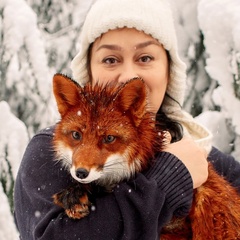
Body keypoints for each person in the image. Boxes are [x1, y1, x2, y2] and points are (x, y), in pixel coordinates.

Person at [14, 0, 240, 239]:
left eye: (145, 58)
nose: (129, 76)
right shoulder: (47, 153)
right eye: (110, 59)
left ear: (169, 72)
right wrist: (167, 180)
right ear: (88, 71)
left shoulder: (200, 152)